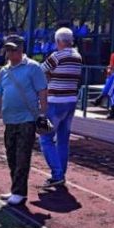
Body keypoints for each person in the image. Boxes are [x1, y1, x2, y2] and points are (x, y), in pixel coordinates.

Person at [0, 35, 48, 205]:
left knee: (22, 156)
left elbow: (42, 91)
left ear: (21, 49)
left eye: (13, 49)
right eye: (7, 49)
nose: (9, 53)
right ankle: (16, 188)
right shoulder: (4, 71)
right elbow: (0, 96)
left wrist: (42, 114)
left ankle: (20, 192)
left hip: (27, 119)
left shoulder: (33, 68)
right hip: (9, 120)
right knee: (11, 156)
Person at [38, 27, 82, 188]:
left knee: (45, 138)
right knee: (63, 140)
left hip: (55, 101)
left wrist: (49, 76)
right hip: (71, 101)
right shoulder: (77, 56)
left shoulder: (56, 56)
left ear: (59, 41)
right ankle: (60, 173)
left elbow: (39, 71)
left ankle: (57, 174)